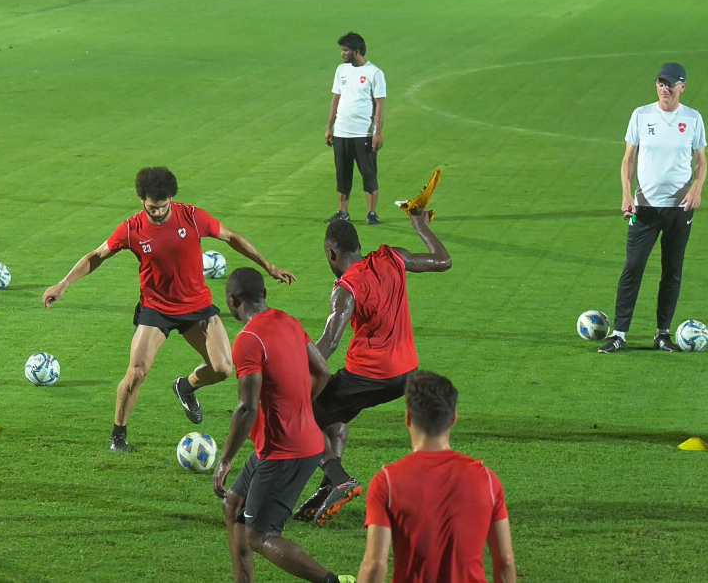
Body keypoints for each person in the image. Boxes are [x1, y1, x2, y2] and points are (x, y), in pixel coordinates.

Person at [43, 166, 295, 452]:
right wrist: (63, 284)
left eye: (163, 207)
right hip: (156, 310)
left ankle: (186, 387)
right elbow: (97, 255)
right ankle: (118, 435)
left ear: (171, 199)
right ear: (142, 200)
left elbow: (232, 237)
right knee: (137, 372)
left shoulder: (192, 216)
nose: (158, 213)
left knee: (223, 368)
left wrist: (268, 266)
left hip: (198, 307)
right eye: (152, 208)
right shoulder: (131, 228)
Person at [295, 208, 452, 526]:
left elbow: (329, 342)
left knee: (299, 418)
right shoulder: (391, 256)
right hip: (406, 373)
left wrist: (291, 370)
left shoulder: (346, 288)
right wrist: (420, 225)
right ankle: (329, 489)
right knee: (331, 412)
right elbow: (442, 260)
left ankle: (338, 479)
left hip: (368, 376)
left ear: (331, 252)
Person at [213, 268, 353, 583]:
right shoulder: (288, 320)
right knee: (232, 505)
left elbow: (246, 407)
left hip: (284, 450)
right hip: (289, 443)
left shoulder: (248, 340)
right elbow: (322, 371)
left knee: (260, 535)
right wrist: (298, 405)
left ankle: (333, 581)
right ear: (264, 294)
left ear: (232, 300)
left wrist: (224, 461)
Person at [356, 371, 516, 583]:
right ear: (453, 419)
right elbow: (504, 561)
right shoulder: (486, 479)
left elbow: (375, 565)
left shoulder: (388, 481)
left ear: (408, 418)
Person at [598, 62, 708, 353]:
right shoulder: (641, 115)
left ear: (682, 86)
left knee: (672, 270)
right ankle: (619, 333)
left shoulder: (693, 119)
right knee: (633, 267)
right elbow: (628, 160)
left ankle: (663, 334)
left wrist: (697, 187)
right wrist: (625, 194)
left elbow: (701, 161)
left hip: (679, 209)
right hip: (644, 208)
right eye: (661, 83)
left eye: (671, 84)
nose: (665, 88)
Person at [324, 32, 386, 226]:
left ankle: (372, 212)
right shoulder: (341, 70)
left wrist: (377, 132)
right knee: (342, 173)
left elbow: (379, 105)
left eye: (345, 50)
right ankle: (343, 212)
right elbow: (336, 99)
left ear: (357, 51)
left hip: (364, 132)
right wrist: (329, 127)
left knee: (368, 173)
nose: (342, 54)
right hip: (342, 132)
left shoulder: (374, 73)